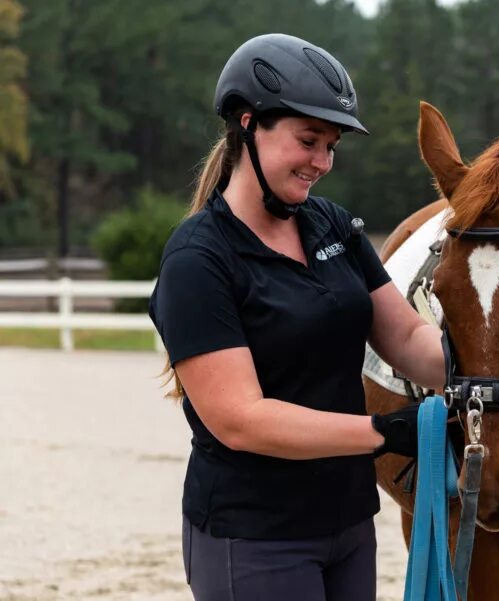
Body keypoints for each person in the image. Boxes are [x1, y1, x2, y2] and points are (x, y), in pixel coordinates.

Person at [148, 34, 444, 601]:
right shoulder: (199, 260)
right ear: (246, 123)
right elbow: (241, 418)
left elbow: (405, 336)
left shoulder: (329, 224)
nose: (323, 163)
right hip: (255, 535)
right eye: (308, 141)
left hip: (349, 523)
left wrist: (493, 370)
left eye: (331, 146)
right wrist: (383, 432)